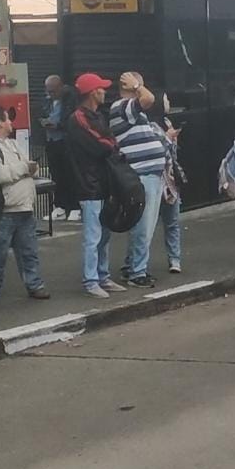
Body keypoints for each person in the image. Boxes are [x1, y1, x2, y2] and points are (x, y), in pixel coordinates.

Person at [0, 105, 49, 302]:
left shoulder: (11, 144)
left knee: (29, 250)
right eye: (7, 119)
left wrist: (29, 168)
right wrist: (24, 168)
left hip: (23, 206)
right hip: (6, 208)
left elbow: (28, 165)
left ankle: (35, 285)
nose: (11, 123)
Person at [67, 72, 126, 299]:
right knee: (93, 236)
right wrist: (111, 145)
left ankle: (102, 275)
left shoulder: (97, 116)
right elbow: (102, 144)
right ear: (92, 92)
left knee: (104, 234)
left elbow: (109, 142)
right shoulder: (78, 119)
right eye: (101, 88)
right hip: (88, 184)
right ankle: (91, 280)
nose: (104, 91)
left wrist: (110, 144)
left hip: (102, 183)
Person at [109, 71, 168, 289]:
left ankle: (131, 266)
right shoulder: (123, 105)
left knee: (143, 225)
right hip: (143, 174)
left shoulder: (129, 110)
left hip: (148, 173)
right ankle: (137, 272)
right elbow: (149, 99)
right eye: (140, 84)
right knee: (144, 226)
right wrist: (136, 86)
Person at [144, 88, 184, 275]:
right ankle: (137, 263)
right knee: (147, 223)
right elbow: (156, 149)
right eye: (166, 99)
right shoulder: (149, 126)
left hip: (170, 179)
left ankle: (175, 259)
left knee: (172, 221)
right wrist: (168, 138)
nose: (169, 103)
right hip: (155, 178)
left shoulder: (167, 122)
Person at [41, 75, 80, 221]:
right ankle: (60, 206)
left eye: (53, 91)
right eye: (48, 91)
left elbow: (72, 119)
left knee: (70, 174)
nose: (51, 94)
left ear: (61, 87)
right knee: (56, 174)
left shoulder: (71, 99)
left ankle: (75, 206)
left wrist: (58, 125)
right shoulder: (47, 100)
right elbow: (41, 112)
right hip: (51, 140)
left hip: (66, 140)